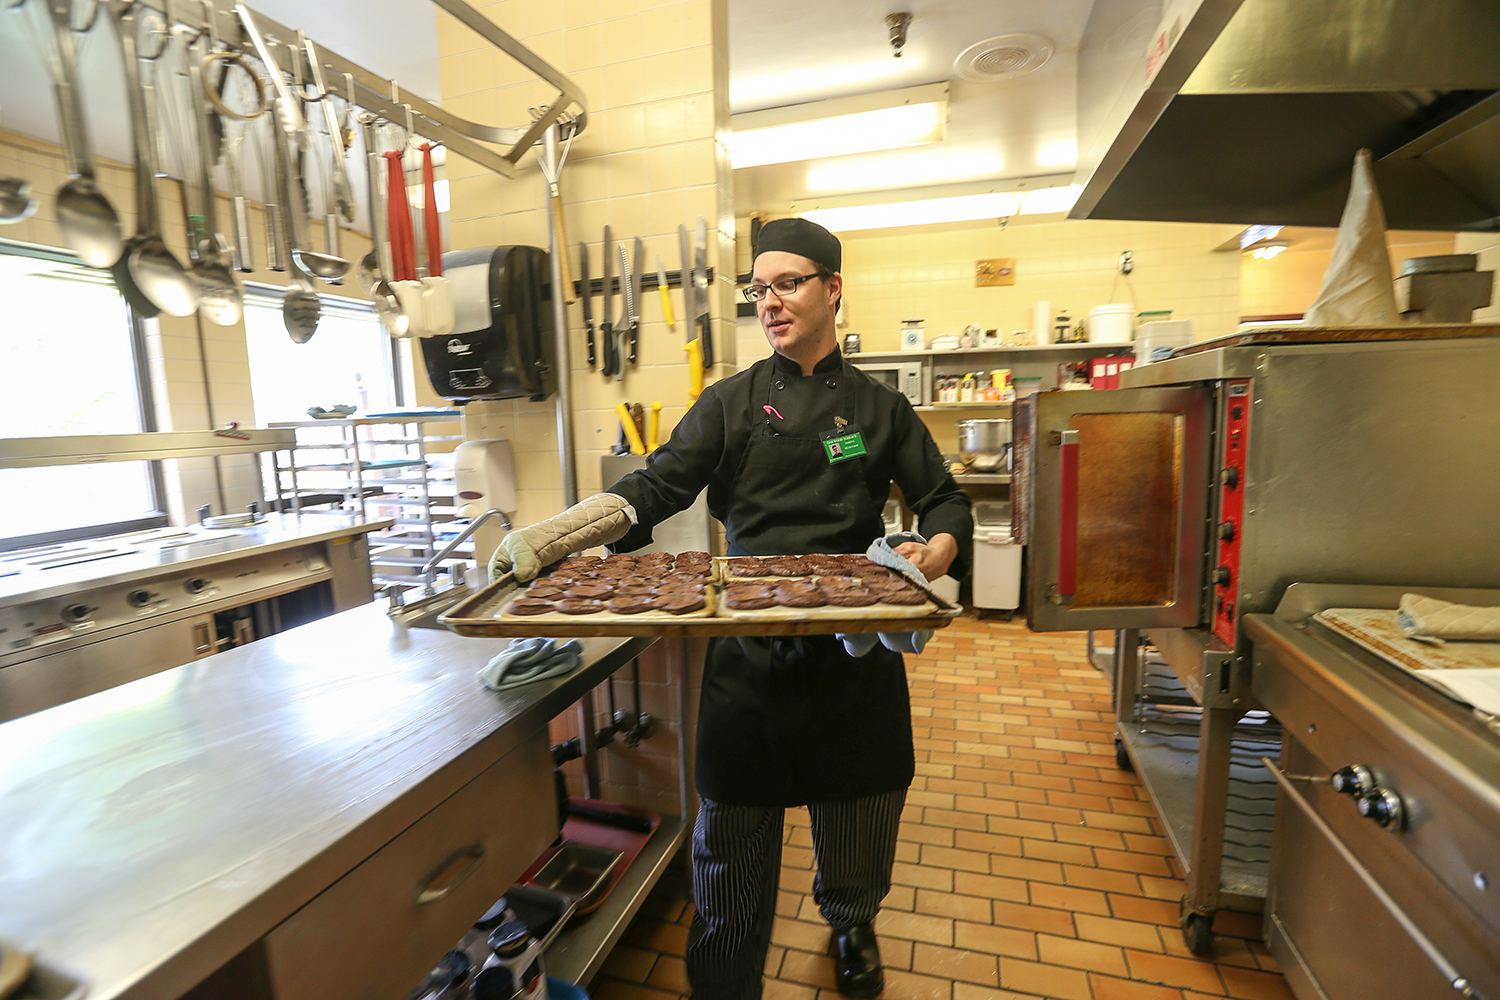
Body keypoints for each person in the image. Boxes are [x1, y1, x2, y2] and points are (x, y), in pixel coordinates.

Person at [492, 218, 972, 1000]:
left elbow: (945, 500)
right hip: (748, 658)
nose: (770, 303)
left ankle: (851, 922)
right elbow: (656, 485)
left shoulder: (880, 410)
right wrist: (562, 533)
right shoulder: (733, 404)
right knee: (731, 851)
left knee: (859, 810)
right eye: (759, 289)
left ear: (833, 289)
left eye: (787, 284)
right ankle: (726, 979)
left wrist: (938, 550)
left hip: (853, 653)